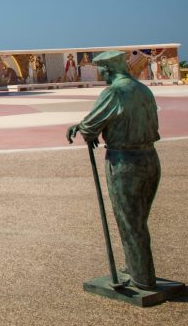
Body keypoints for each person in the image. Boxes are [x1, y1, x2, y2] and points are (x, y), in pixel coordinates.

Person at [66, 51, 161, 291]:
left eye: (104, 72)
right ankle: (134, 265)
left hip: (124, 161)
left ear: (108, 71)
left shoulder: (114, 92)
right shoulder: (143, 89)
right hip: (150, 157)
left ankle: (142, 280)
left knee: (130, 222)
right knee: (138, 219)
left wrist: (81, 128)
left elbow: (90, 127)